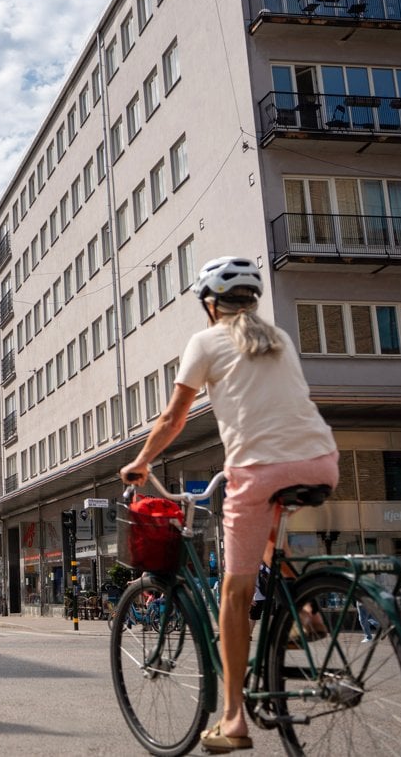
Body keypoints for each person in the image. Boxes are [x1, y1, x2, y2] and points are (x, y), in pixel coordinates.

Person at [120, 256, 339, 754]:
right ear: (253, 302)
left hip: (258, 471)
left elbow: (174, 419)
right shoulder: (279, 339)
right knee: (268, 538)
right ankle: (304, 605)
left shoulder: (206, 340)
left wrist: (140, 463)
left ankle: (234, 718)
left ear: (210, 304)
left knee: (234, 596)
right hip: (322, 460)